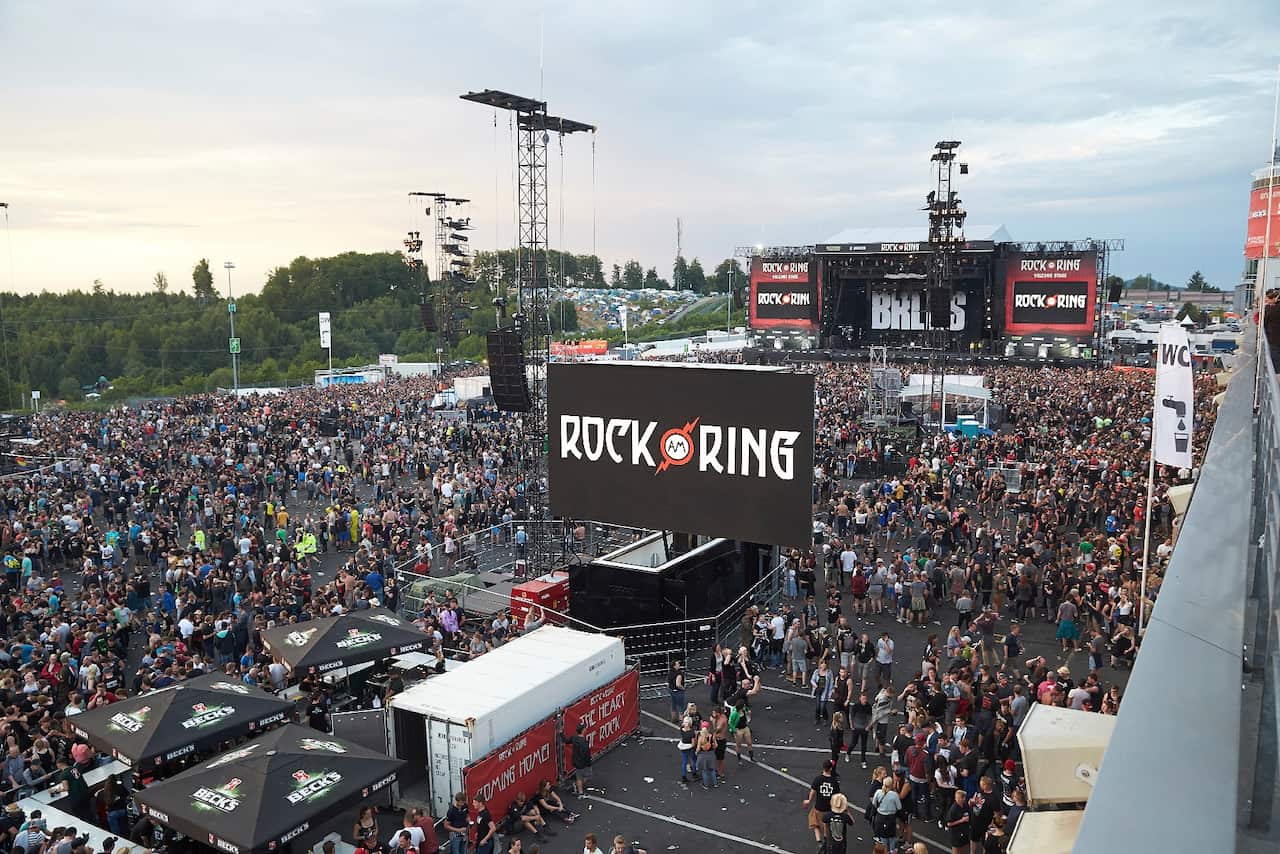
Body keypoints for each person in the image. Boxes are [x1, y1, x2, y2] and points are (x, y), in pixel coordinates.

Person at [803, 759, 840, 850]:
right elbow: (837, 796)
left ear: (823, 768)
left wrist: (808, 800)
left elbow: (813, 792)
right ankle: (826, 841)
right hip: (829, 808)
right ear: (831, 769)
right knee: (826, 825)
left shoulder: (818, 779)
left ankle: (819, 842)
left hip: (818, 807)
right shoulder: (834, 781)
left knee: (815, 823)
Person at [569, 723, 593, 796]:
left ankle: (579, 790)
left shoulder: (574, 738)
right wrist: (588, 762)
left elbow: (566, 740)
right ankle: (578, 788)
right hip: (583, 762)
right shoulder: (583, 742)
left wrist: (561, 733)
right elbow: (586, 754)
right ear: (583, 730)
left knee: (580, 776)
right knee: (587, 776)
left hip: (576, 761)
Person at [946, 789, 971, 854]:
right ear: (958, 799)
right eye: (963, 797)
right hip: (956, 834)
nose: (964, 799)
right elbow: (949, 824)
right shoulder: (953, 810)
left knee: (964, 847)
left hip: (965, 831)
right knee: (956, 850)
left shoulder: (965, 805)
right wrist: (962, 820)